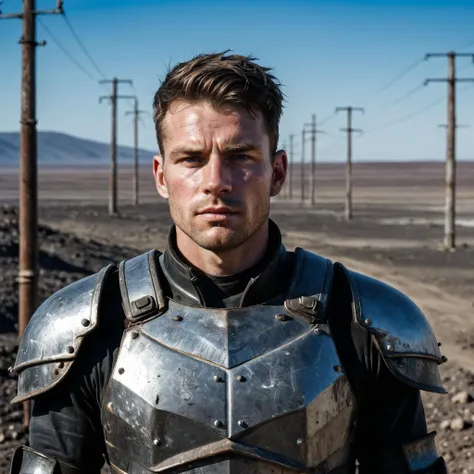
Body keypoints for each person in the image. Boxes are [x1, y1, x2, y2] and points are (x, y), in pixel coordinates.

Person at [10, 51, 448, 474]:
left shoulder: (362, 319)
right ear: (162, 176)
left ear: (277, 173)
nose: (216, 182)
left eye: (240, 157)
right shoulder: (88, 324)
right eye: (192, 159)